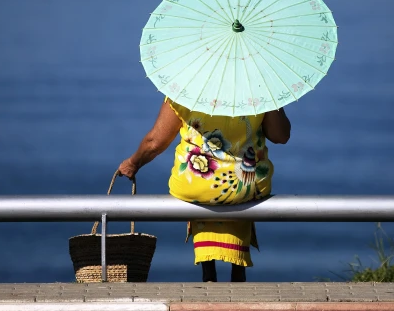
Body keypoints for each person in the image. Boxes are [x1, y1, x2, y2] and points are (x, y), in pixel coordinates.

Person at [118, 98, 291, 282]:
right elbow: (281, 136)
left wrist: (132, 163)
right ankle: (238, 269)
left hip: (196, 183)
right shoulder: (256, 90)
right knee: (239, 183)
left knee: (203, 186)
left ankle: (208, 271)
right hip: (246, 186)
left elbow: (154, 142)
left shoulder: (187, 89)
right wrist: (271, 100)